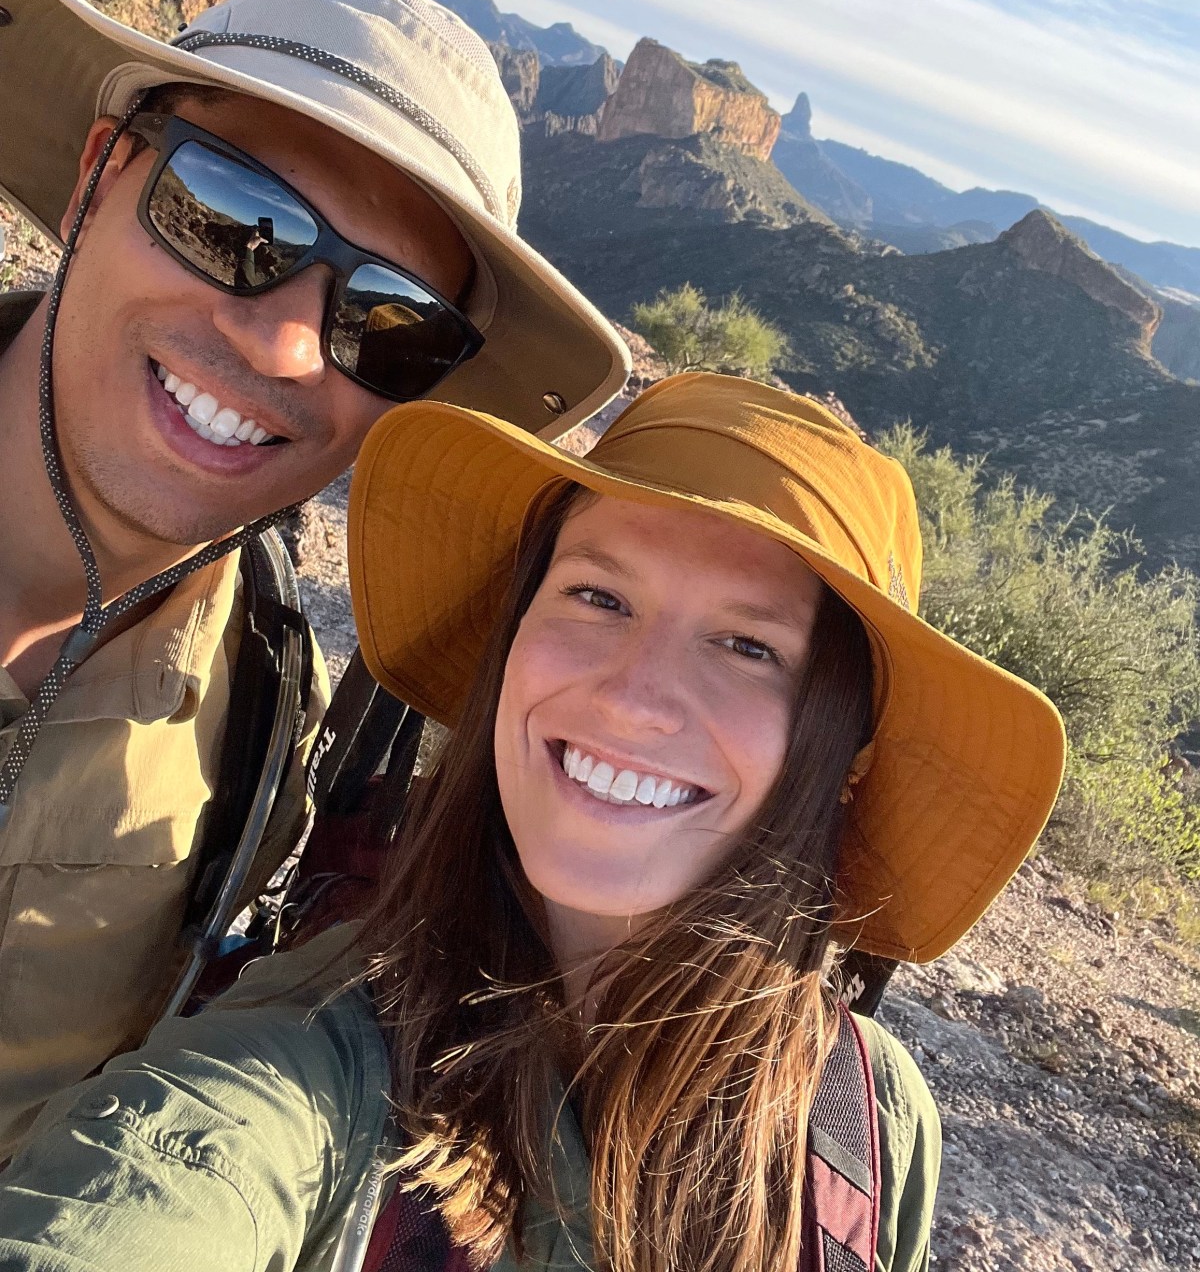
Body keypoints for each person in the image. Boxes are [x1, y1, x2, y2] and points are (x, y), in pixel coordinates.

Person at [0, 372, 1066, 1271]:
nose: (635, 696)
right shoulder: (303, 1078)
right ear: (514, 637)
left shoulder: (873, 1123)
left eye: (748, 646)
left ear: (841, 755)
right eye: (598, 596)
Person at [0, 0, 628, 1157]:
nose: (289, 344)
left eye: (385, 325)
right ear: (96, 178)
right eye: (234, 218)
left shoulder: (264, 729)